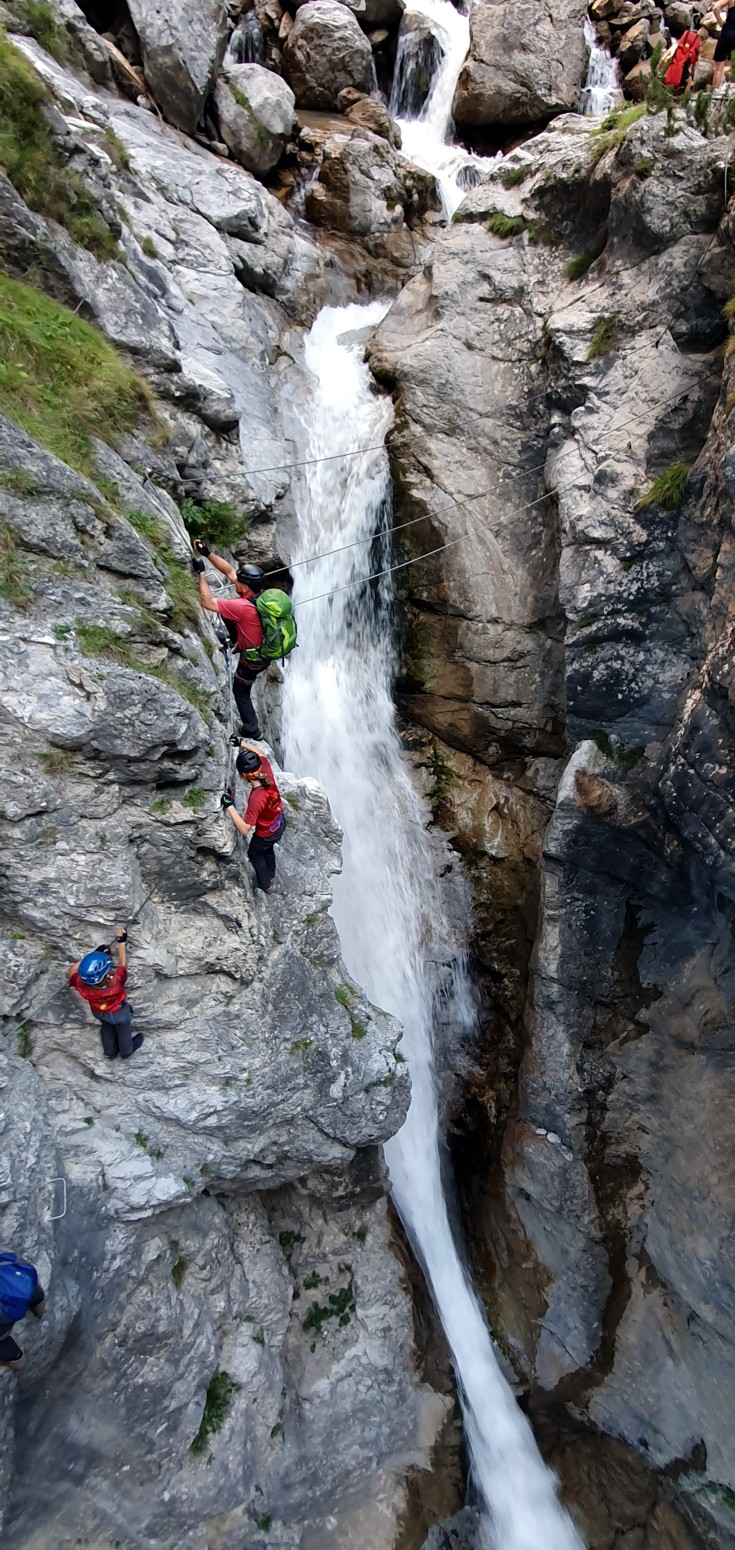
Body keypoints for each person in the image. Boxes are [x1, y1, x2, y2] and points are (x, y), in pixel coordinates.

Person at [192, 543, 267, 739]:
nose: (234, 582)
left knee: (240, 691)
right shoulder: (259, 596)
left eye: (238, 582)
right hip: (264, 650)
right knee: (229, 614)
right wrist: (207, 553)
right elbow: (229, 571)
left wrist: (201, 574)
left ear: (245, 586)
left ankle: (253, 730)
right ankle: (235, 639)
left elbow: (207, 603)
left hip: (252, 660)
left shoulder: (242, 607)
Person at [68, 929, 144, 1061]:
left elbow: (72, 970)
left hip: (99, 1012)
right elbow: (122, 965)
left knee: (107, 1026)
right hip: (119, 1014)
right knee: (123, 1031)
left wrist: (93, 957)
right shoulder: (115, 984)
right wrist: (121, 943)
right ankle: (126, 1052)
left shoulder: (82, 986)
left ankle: (110, 1053)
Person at [221, 742, 286, 893]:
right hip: (280, 822)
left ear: (244, 776)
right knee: (268, 848)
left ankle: (266, 885)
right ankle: (271, 873)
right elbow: (259, 752)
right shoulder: (266, 771)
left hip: (266, 833)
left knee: (254, 854)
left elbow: (244, 829)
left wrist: (229, 806)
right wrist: (241, 743)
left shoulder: (257, 799)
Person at [0, 1252, 45, 1371]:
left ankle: (16, 1360)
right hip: (24, 1282)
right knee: (31, 1290)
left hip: (8, 1311)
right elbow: (15, 1258)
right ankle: (39, 1308)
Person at [713, 0, 735, 86]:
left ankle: (715, 92)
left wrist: (720, 23)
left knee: (718, 68)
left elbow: (716, 8)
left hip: (727, 34)